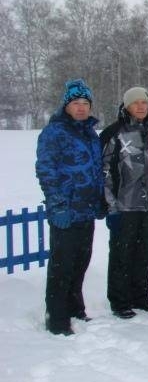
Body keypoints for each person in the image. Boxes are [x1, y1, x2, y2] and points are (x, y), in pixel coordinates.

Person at [36, 79, 104, 335]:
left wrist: (99, 199)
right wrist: (57, 204)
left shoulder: (90, 133)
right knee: (62, 266)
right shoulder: (54, 132)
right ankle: (56, 317)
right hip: (65, 211)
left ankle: (75, 309)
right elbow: (46, 170)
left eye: (85, 103)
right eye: (76, 103)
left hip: (86, 210)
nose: (81, 107)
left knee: (80, 263)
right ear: (66, 106)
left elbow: (96, 170)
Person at [100, 86, 148, 319]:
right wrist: (111, 205)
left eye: (144, 102)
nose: (140, 106)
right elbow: (104, 170)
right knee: (122, 255)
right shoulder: (115, 133)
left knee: (145, 254)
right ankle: (120, 301)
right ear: (127, 106)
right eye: (135, 103)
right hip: (124, 205)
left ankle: (141, 297)